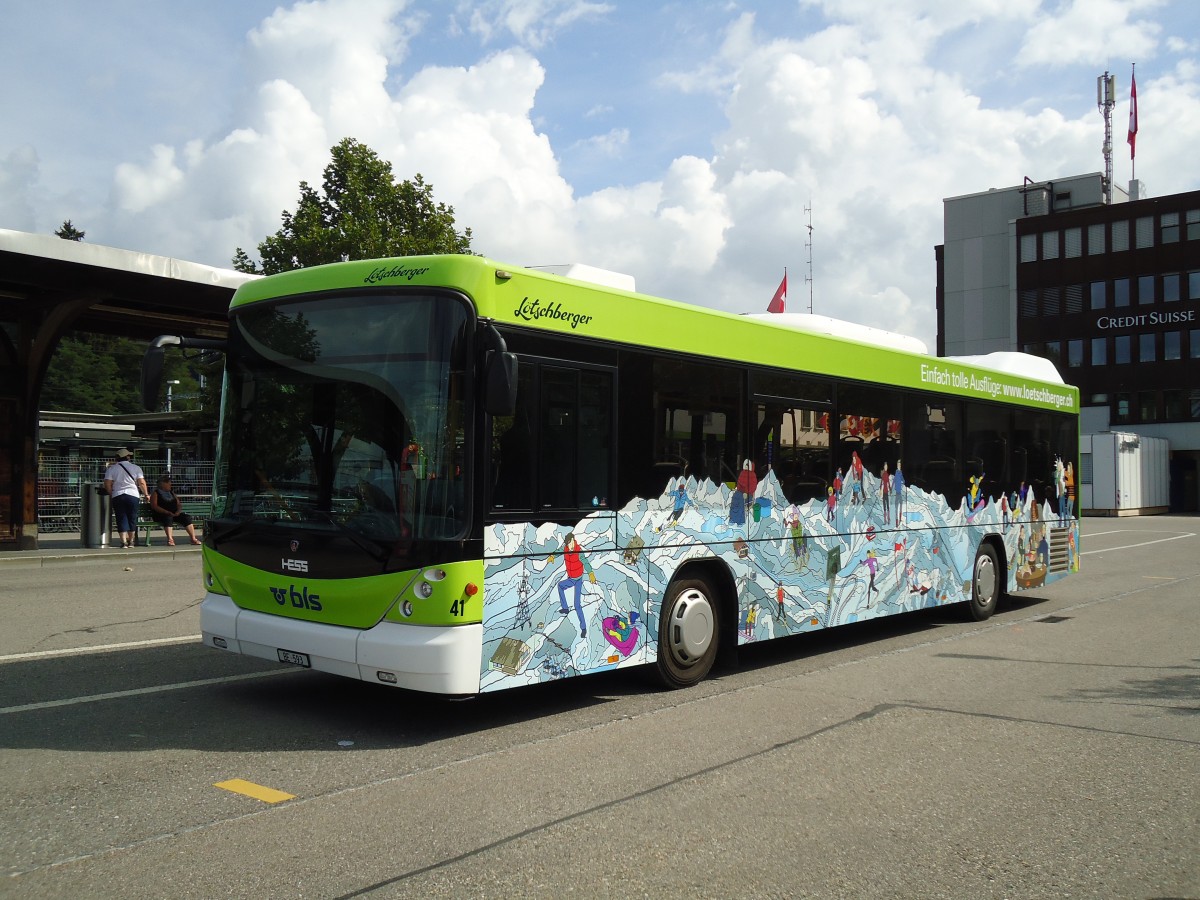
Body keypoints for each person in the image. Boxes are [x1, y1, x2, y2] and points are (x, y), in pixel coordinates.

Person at [103, 448, 150, 549]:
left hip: (118, 495)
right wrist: (146, 494)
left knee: (121, 518)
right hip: (133, 494)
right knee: (132, 518)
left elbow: (107, 484)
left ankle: (123, 542)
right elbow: (141, 482)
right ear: (127, 457)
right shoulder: (136, 468)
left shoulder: (111, 469)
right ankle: (131, 541)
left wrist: (112, 493)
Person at [148, 474, 202, 546]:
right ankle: (170, 539)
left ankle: (193, 538)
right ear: (163, 484)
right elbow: (154, 506)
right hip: (161, 514)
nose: (171, 484)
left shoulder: (171, 493)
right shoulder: (156, 493)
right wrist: (166, 512)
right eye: (168, 483)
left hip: (174, 513)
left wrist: (178, 512)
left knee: (186, 518)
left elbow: (178, 504)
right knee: (168, 518)